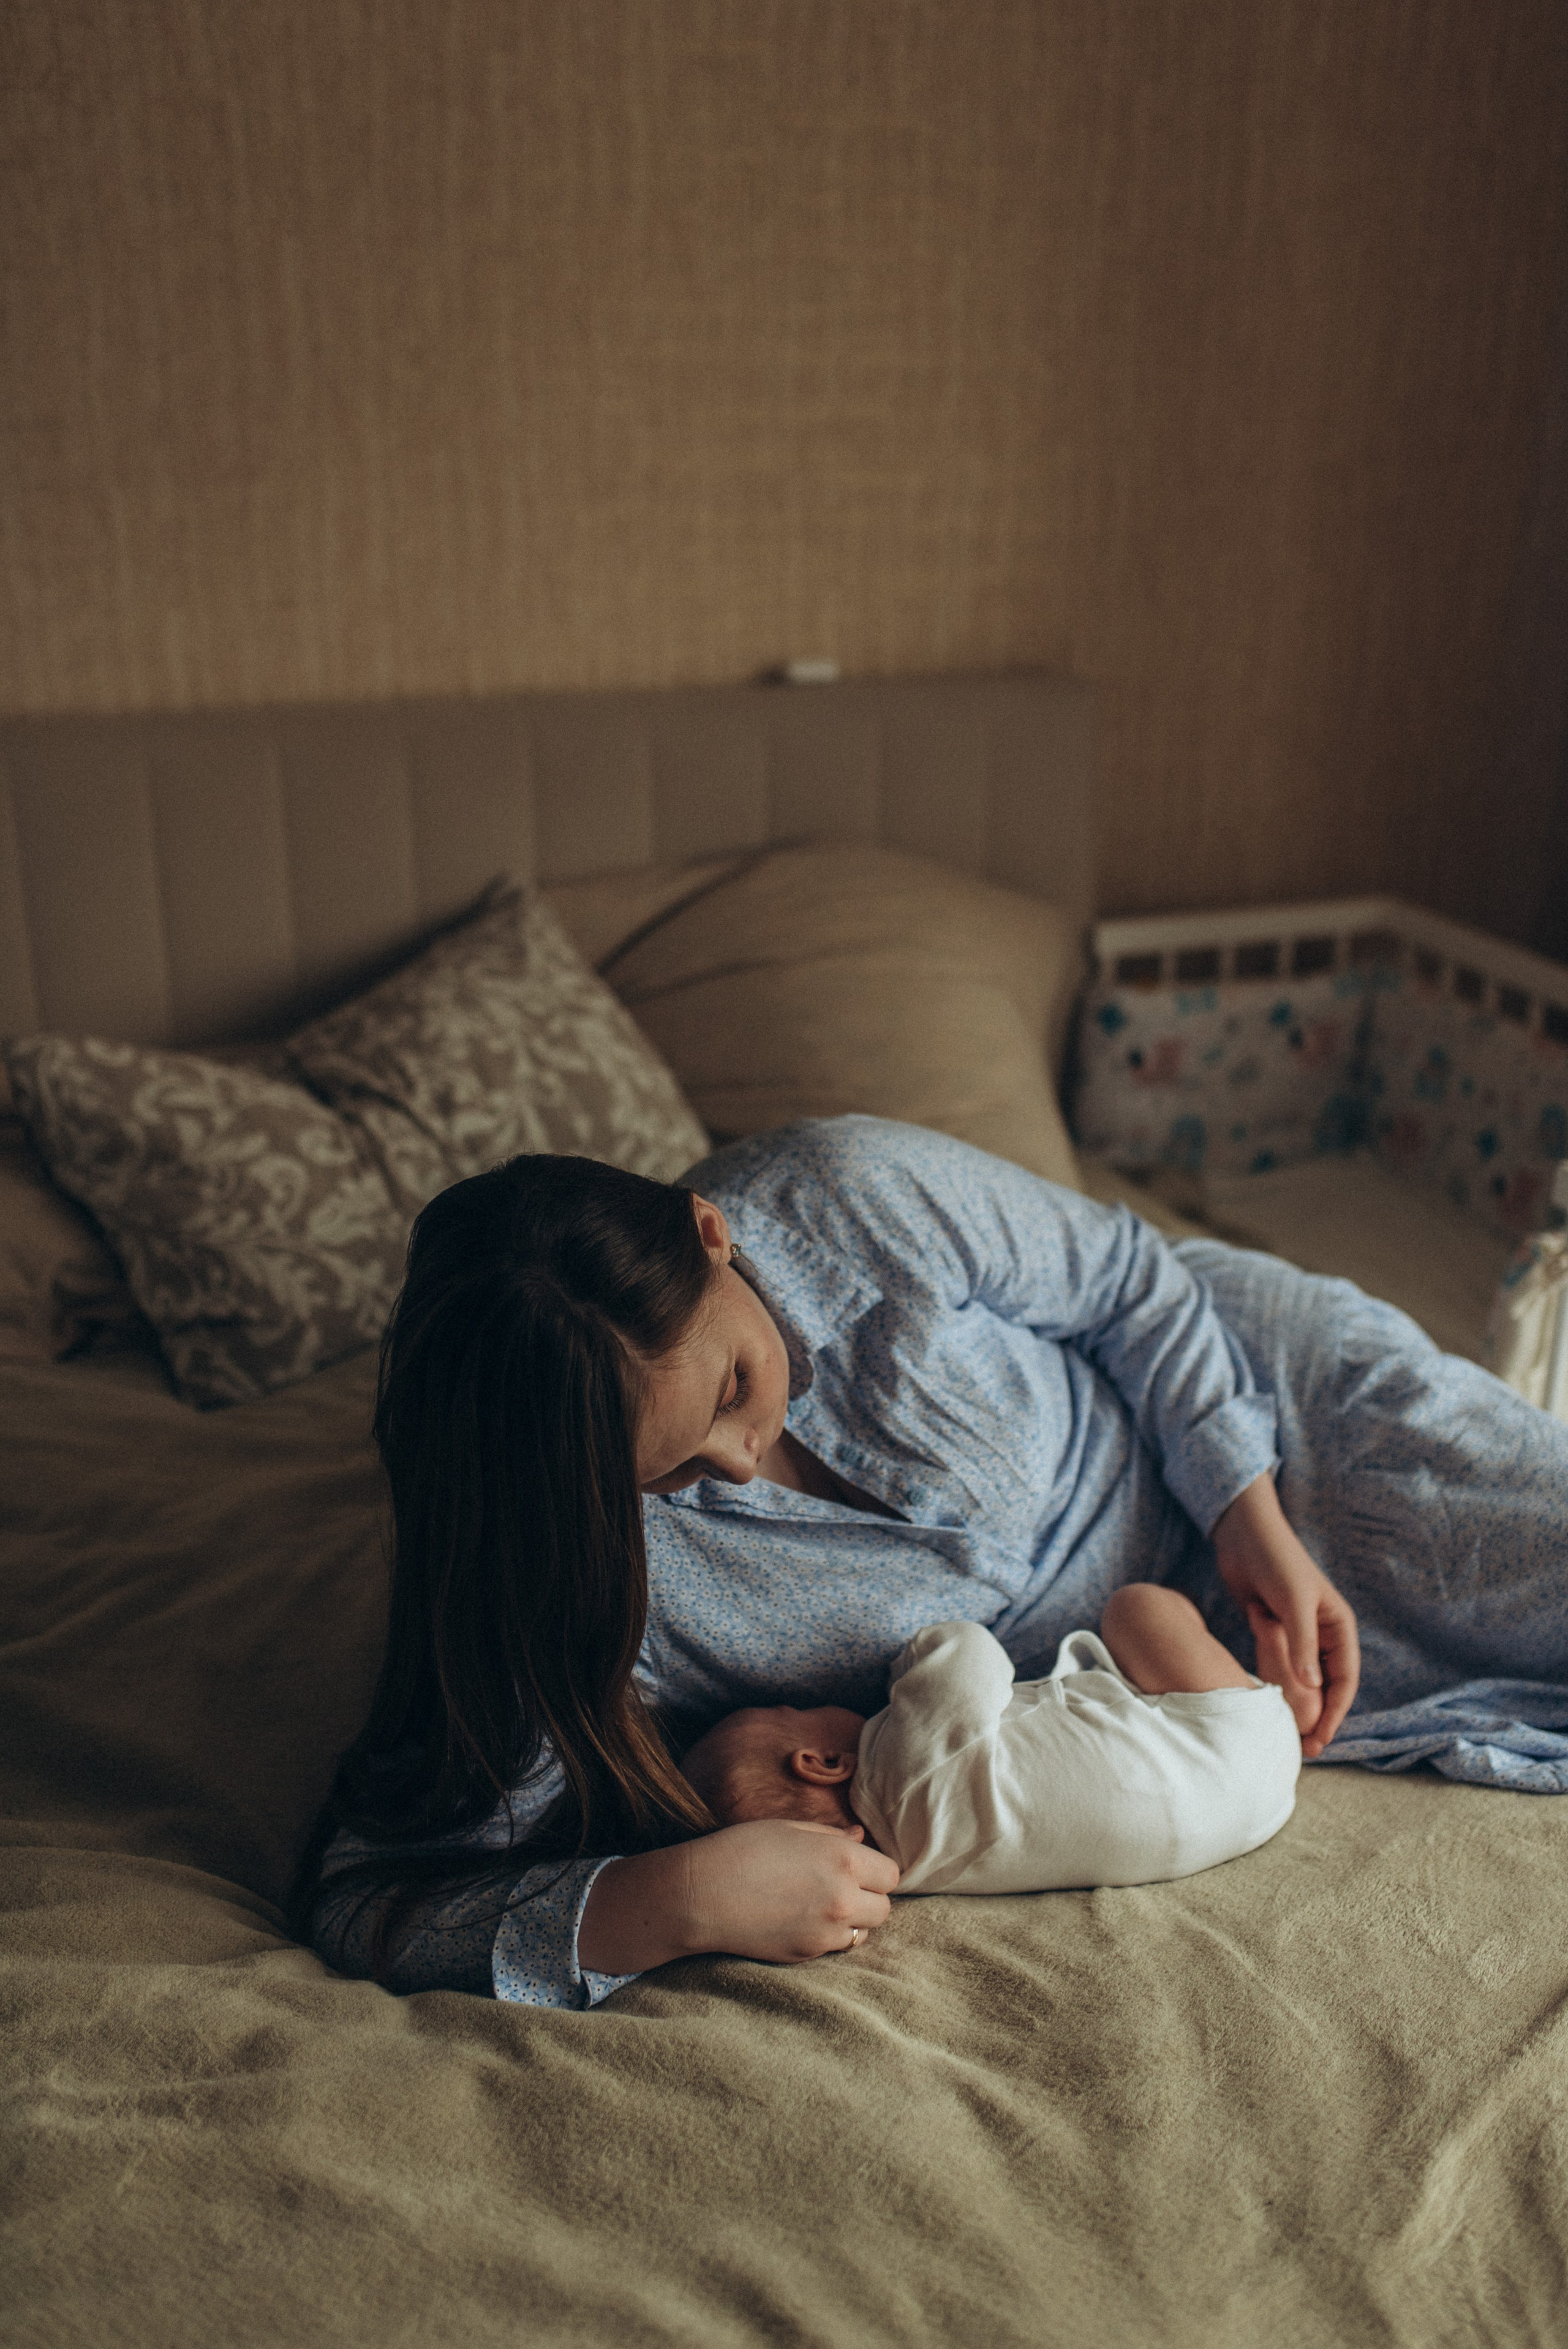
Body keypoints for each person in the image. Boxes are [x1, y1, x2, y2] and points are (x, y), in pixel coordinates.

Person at [296, 1116, 1568, 2010]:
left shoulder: (842, 1196)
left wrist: (1250, 1516)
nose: (741, 1460)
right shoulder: (567, 1577)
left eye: (735, 1384)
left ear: (712, 1233)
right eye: (671, 1474)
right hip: (1145, 1690)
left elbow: (1131, 1282)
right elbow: (372, 1899)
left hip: (1250, 1415)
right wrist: (666, 1899)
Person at [679, 1589, 1302, 1896]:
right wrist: (906, 1665)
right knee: (1137, 1607)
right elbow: (966, 1651)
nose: (813, 1701)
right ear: (821, 1763)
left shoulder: (915, 1872)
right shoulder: (905, 1764)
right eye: (796, 1707)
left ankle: (1270, 1702)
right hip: (1226, 1743)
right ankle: (1275, 1693)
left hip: (1245, 1815)